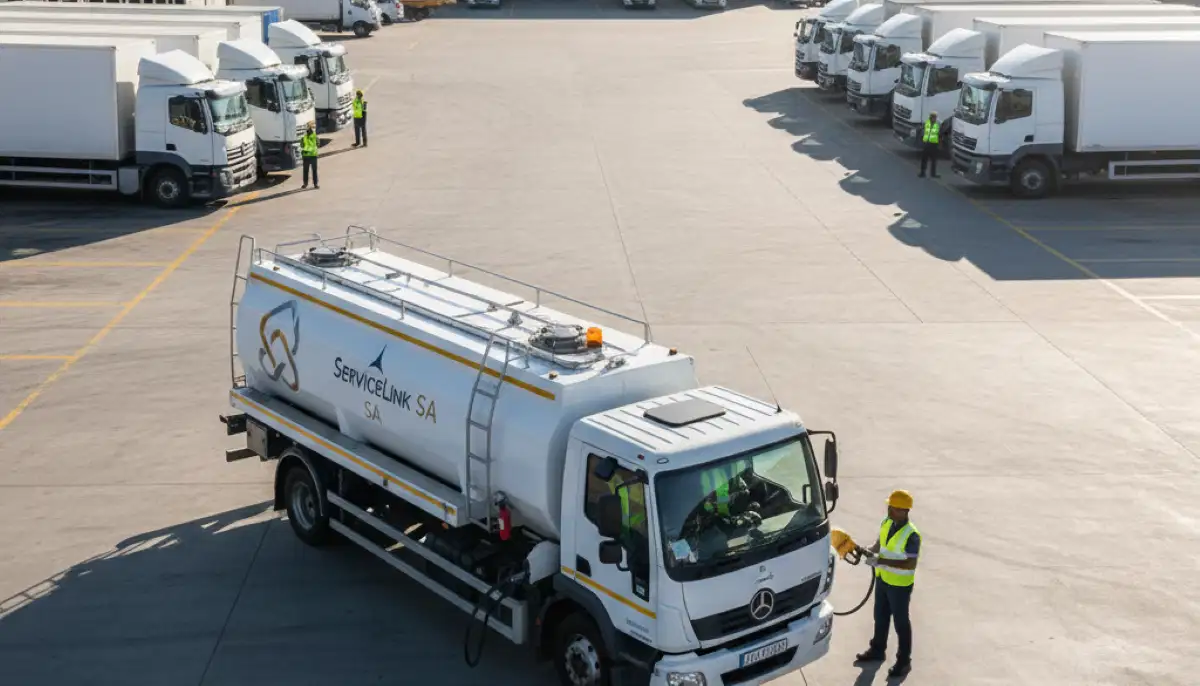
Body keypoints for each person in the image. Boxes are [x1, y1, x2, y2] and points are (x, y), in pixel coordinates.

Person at [855, 489, 921, 678]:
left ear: (903, 510)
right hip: (883, 579)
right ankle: (877, 650)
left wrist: (880, 561)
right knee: (880, 617)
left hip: (900, 586)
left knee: (901, 623)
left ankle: (904, 661)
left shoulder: (911, 535)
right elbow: (880, 543)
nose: (888, 510)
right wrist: (869, 550)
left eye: (892, 508)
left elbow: (910, 562)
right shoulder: (887, 522)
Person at [918, 113, 940, 179]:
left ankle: (933, 173)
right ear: (930, 117)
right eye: (933, 117)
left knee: (934, 160)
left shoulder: (937, 124)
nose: (934, 118)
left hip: (934, 144)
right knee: (924, 159)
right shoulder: (927, 123)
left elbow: (940, 133)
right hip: (927, 144)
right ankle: (922, 172)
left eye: (935, 117)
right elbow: (922, 129)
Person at [300, 122, 319, 190]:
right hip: (313, 155)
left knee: (305, 171)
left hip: (306, 156)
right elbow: (318, 144)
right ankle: (315, 184)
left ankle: (305, 184)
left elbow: (301, 145)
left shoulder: (304, 137)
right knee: (314, 171)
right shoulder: (315, 136)